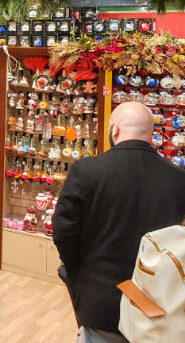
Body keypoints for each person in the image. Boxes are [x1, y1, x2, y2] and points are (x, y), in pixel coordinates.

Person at [53, 101, 185, 343]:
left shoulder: (87, 170)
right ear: (152, 134)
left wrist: (77, 271)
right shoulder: (178, 178)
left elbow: (64, 231)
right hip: (157, 304)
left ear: (114, 130)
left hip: (101, 302)